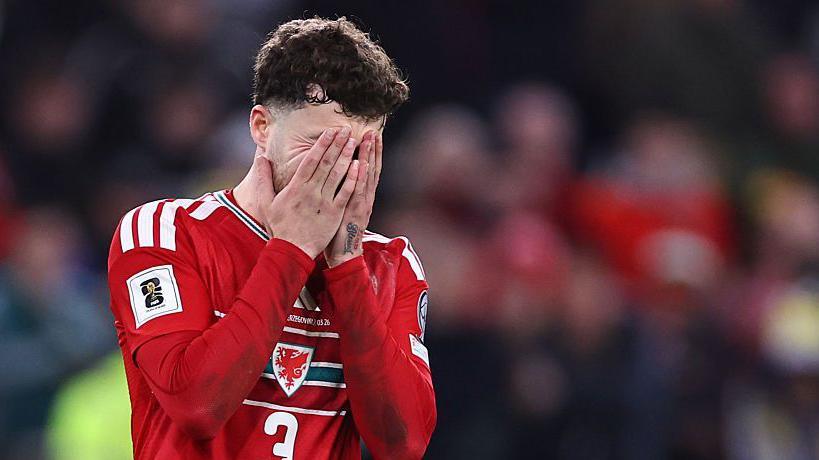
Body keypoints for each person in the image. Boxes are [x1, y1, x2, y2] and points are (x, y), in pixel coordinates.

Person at [106, 17, 436, 459]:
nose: (341, 170)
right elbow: (198, 406)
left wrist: (348, 265)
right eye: (321, 146)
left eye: (362, 151)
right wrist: (292, 249)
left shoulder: (388, 264)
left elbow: (404, 443)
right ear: (261, 128)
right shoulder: (163, 235)